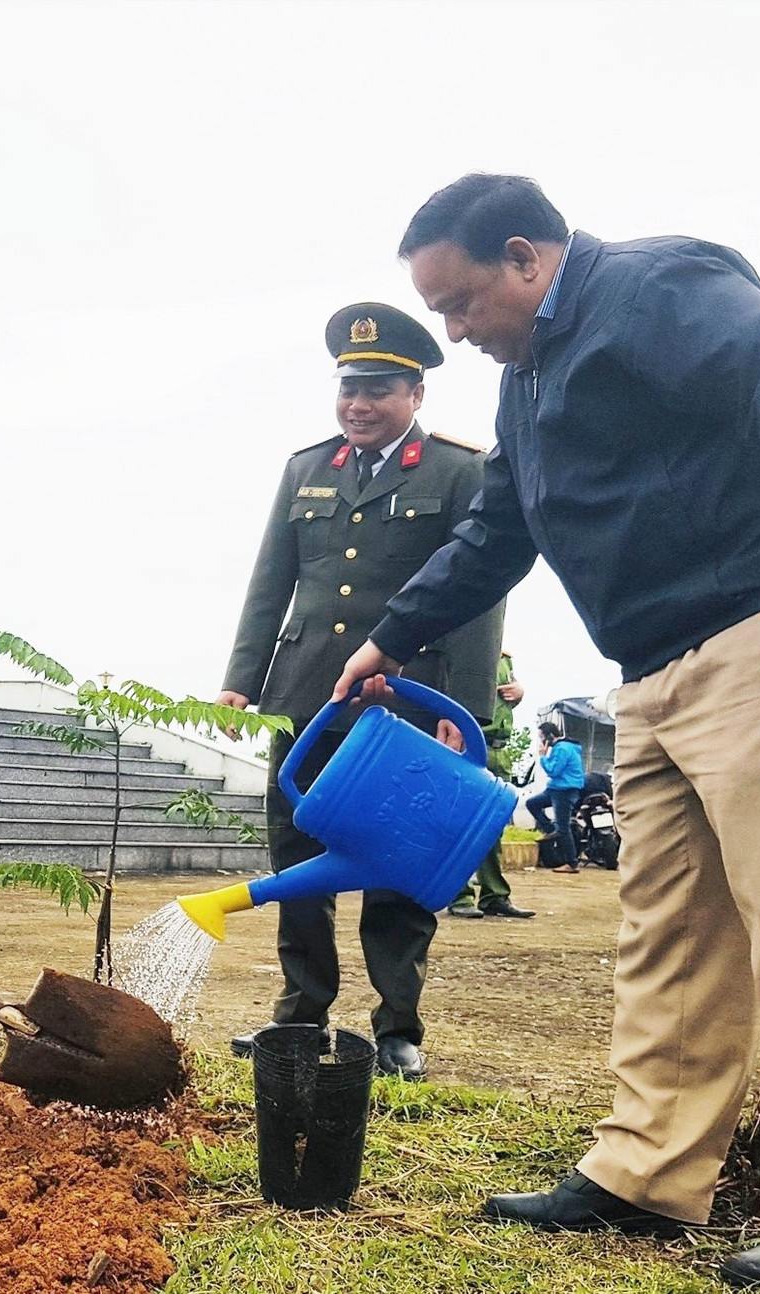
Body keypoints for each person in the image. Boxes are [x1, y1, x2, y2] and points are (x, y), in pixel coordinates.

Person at [333, 174, 760, 1290]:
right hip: (649, 676)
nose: (455, 333)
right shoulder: (527, 381)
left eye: (459, 305)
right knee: (668, 938)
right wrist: (393, 637)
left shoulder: (657, 290)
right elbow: (498, 529)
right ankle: (647, 1169)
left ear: (525, 258)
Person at [218, 302, 505, 1080]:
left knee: (399, 867)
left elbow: (478, 596)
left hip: (409, 704)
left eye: (378, 389)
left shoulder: (459, 470)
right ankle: (300, 1013)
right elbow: (272, 578)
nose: (359, 404)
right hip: (308, 694)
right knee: (296, 854)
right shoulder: (305, 469)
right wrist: (244, 680)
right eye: (349, 388)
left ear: (415, 395)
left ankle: (396, 1030)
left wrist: (468, 710)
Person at [448, 650, 535, 918]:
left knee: (494, 826)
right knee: (461, 825)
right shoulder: (466, 649)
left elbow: (501, 700)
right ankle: (459, 895)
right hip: (471, 747)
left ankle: (494, 895)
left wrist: (519, 693)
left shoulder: (504, 656)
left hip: (500, 750)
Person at [525, 720, 585, 874]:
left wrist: (543, 757)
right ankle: (551, 829)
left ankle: (572, 863)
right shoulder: (566, 747)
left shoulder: (562, 749)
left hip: (564, 790)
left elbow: (553, 770)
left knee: (564, 828)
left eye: (542, 737)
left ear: (550, 736)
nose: (541, 741)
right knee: (532, 803)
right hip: (555, 789)